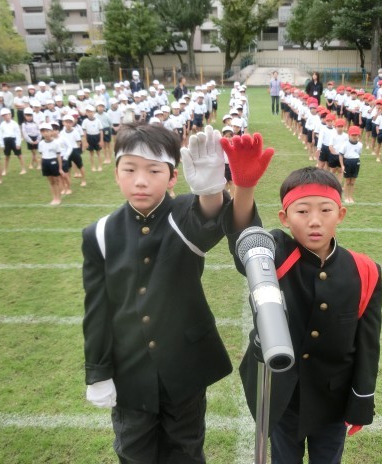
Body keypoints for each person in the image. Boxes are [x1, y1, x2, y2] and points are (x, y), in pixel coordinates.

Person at [82, 124, 266, 463]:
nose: (141, 181)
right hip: (130, 371)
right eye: (130, 169)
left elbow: (207, 219)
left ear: (172, 177)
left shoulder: (180, 213)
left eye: (154, 171)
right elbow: (97, 310)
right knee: (133, 451)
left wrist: (210, 191)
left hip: (184, 367)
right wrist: (98, 372)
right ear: (116, 174)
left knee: (185, 450)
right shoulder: (100, 233)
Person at [221, 158, 382, 464]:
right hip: (283, 396)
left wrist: (361, 399)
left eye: (325, 210)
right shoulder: (275, 253)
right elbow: (246, 240)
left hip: (333, 399)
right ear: (284, 217)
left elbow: (367, 343)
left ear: (341, 214)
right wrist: (245, 187)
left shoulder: (365, 270)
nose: (314, 221)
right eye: (303, 211)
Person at [38, 122, 64, 206]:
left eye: (47, 131)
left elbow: (58, 156)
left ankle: (58, 198)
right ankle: (54, 198)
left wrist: (60, 168)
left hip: (54, 162)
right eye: (43, 131)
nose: (45, 133)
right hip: (45, 162)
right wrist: (41, 165)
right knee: (51, 182)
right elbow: (41, 155)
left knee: (56, 181)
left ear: (51, 132)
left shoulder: (56, 143)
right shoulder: (41, 143)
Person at [339, 125, 363, 203]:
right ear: (349, 135)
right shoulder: (345, 144)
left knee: (352, 182)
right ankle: (346, 197)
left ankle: (350, 197)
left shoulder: (360, 145)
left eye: (356, 135)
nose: (354, 136)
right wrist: (342, 165)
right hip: (347, 162)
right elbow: (341, 155)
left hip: (356, 162)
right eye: (353, 135)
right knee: (347, 181)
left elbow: (359, 154)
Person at [0, 108, 27, 175]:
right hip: (6, 141)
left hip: (14, 140)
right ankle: (5, 170)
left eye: (6, 115)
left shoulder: (14, 123)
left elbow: (18, 134)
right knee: (6, 157)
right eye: (3, 116)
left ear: (10, 115)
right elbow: (0, 135)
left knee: (19, 155)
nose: (5, 117)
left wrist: (18, 143)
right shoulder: (2, 124)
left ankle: (23, 169)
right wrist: (2, 144)